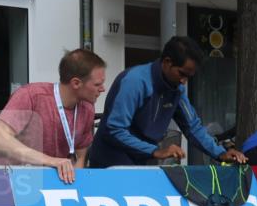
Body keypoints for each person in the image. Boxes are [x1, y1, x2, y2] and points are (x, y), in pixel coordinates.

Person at [88, 36, 246, 168]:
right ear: (167, 62)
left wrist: (220, 153)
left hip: (142, 161)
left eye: (189, 77)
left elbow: (193, 128)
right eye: (182, 74)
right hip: (110, 163)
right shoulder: (134, 81)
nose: (184, 81)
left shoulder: (177, 89)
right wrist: (155, 151)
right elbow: (114, 130)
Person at [0, 49, 106, 184]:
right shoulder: (31, 95)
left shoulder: (87, 108)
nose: (103, 89)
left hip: (30, 184)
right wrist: (50, 160)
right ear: (76, 83)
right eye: (97, 84)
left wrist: (74, 186)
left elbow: (79, 157)